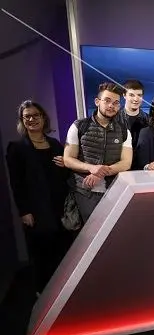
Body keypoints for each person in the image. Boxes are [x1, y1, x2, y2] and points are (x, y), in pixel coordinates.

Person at [6, 101, 72, 293]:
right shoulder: (16, 148)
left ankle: (61, 293)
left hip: (60, 207)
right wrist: (24, 211)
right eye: (27, 116)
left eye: (36, 115)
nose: (32, 119)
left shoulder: (56, 144)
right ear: (22, 120)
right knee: (41, 253)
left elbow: (65, 175)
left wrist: (66, 164)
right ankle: (42, 294)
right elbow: (16, 183)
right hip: (36, 210)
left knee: (62, 250)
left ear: (44, 118)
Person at [63, 82, 133, 222]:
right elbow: (68, 159)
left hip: (114, 191)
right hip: (85, 192)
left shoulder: (124, 131)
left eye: (116, 103)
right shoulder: (79, 126)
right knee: (88, 237)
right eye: (107, 100)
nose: (111, 106)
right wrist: (92, 168)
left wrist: (101, 172)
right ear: (97, 101)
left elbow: (126, 163)